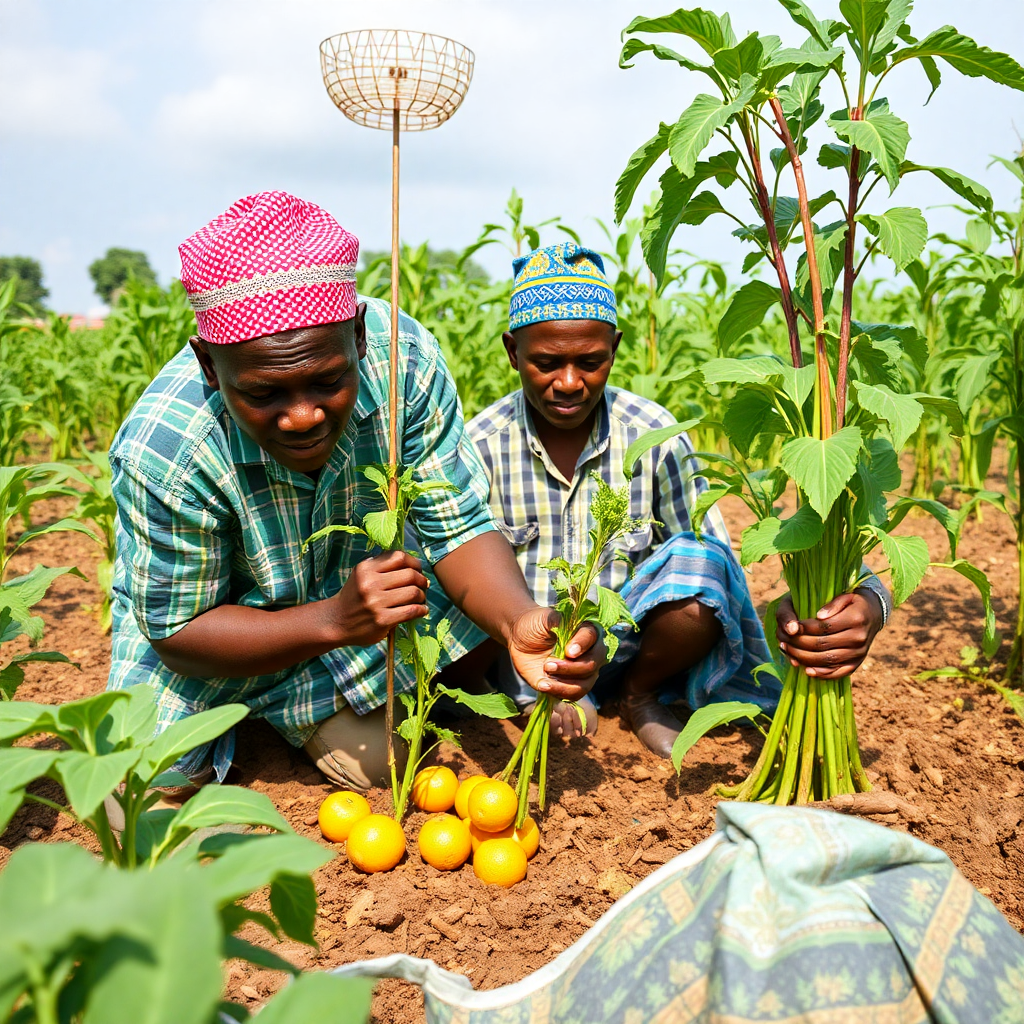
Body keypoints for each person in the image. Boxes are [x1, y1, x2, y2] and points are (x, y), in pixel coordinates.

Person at [106, 193, 603, 799]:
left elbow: (459, 524)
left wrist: (519, 620)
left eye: (329, 381)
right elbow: (179, 631)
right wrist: (331, 621)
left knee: (380, 764)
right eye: (264, 394)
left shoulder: (406, 365)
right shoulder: (169, 449)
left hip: (353, 617)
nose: (303, 416)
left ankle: (304, 711)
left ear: (360, 339)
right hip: (220, 639)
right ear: (210, 366)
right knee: (136, 794)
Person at [462, 242, 890, 758]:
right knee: (454, 571)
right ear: (513, 352)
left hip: (626, 646)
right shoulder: (481, 443)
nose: (570, 382)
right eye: (547, 363)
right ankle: (520, 698)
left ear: (615, 349)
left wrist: (869, 599)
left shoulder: (652, 433)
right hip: (523, 647)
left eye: (591, 362)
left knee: (702, 566)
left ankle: (640, 695)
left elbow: (720, 560)